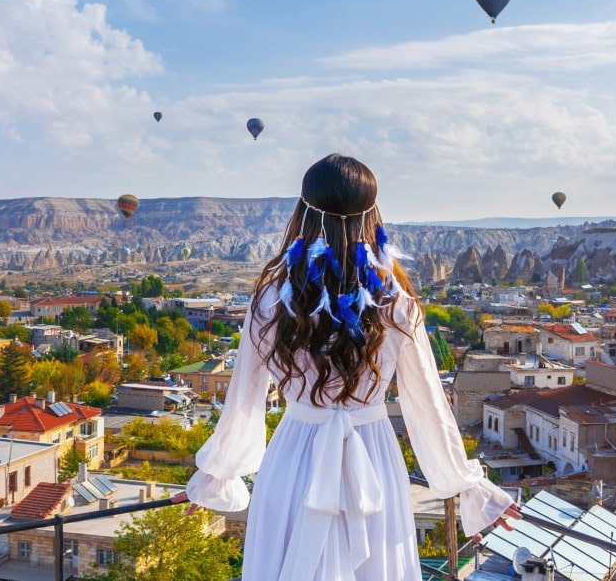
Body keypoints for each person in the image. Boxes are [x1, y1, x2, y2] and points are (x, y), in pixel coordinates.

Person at [179, 153, 520, 580]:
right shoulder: (396, 303)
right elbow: (427, 405)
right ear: (373, 217)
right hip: (374, 462)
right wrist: (469, 487)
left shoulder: (270, 300)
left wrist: (215, 474)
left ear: (301, 215)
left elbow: (243, 401)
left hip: (294, 460)